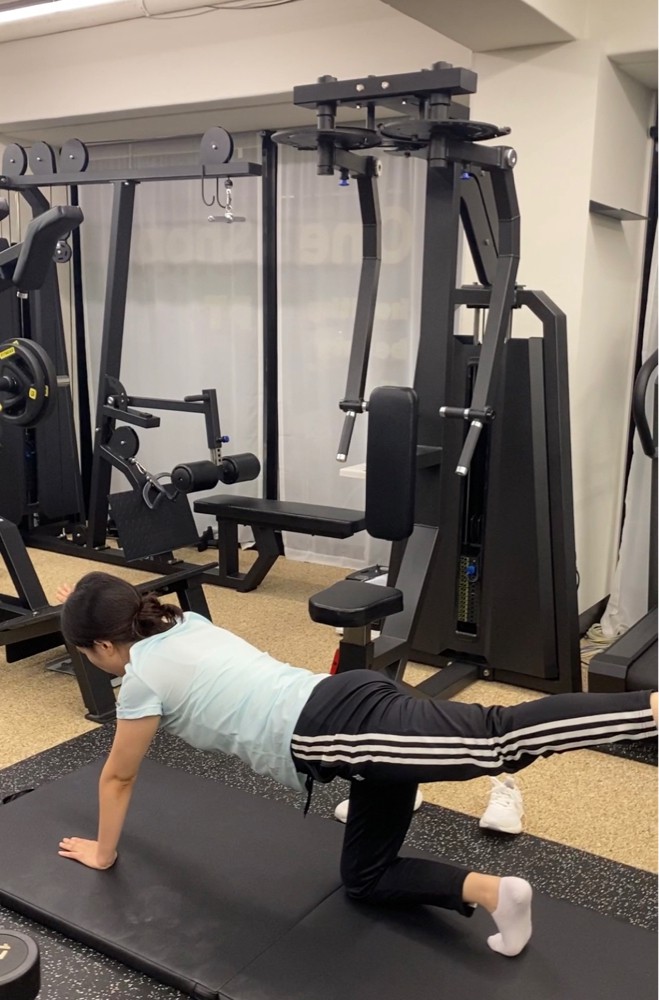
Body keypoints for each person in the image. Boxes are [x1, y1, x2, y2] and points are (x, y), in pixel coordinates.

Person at [57, 572, 658, 959]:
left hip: (343, 730)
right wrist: (84, 607)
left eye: (89, 652)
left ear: (105, 645)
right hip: (351, 725)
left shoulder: (142, 678)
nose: (96, 662)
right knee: (365, 878)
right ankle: (498, 894)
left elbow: (119, 775)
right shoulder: (182, 622)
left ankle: (647, 711)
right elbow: (121, 622)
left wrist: (104, 852)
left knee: (495, 735)